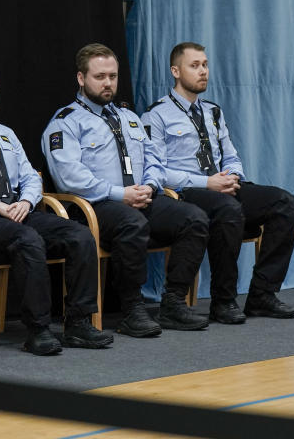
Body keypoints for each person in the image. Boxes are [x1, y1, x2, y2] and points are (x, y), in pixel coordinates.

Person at [0, 67, 112, 355]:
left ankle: (78, 322)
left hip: (17, 209)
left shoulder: (5, 133)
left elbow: (30, 176)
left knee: (78, 234)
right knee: (28, 240)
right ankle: (37, 330)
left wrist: (26, 202)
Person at [42, 43, 210, 338]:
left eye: (113, 76)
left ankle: (173, 303)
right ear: (81, 79)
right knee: (132, 223)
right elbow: (70, 179)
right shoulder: (65, 122)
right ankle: (132, 309)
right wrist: (123, 195)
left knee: (194, 218)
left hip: (139, 196)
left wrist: (151, 185)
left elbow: (155, 159)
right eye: (100, 77)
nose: (108, 83)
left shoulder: (128, 117)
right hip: (94, 207)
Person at [141, 42, 294, 321]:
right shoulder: (156, 115)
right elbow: (157, 171)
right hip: (187, 192)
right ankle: (223, 300)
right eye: (194, 66)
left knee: (284, 202)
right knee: (228, 209)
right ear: (175, 71)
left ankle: (262, 294)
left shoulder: (213, 111)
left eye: (205, 64)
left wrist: (233, 176)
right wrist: (207, 184)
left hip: (222, 185)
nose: (203, 71)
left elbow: (231, 155)